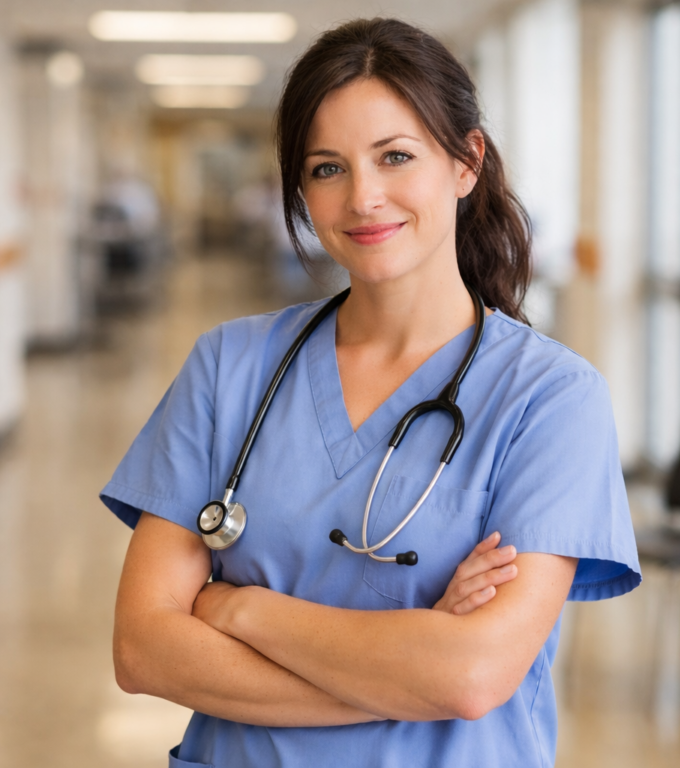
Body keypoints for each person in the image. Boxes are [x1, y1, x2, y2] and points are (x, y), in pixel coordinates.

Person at [100, 17, 641, 768]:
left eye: (395, 156)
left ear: (465, 163)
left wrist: (239, 608)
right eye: (328, 168)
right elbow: (143, 649)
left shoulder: (549, 399)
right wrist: (409, 668)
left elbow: (474, 673)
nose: (364, 198)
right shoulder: (229, 366)